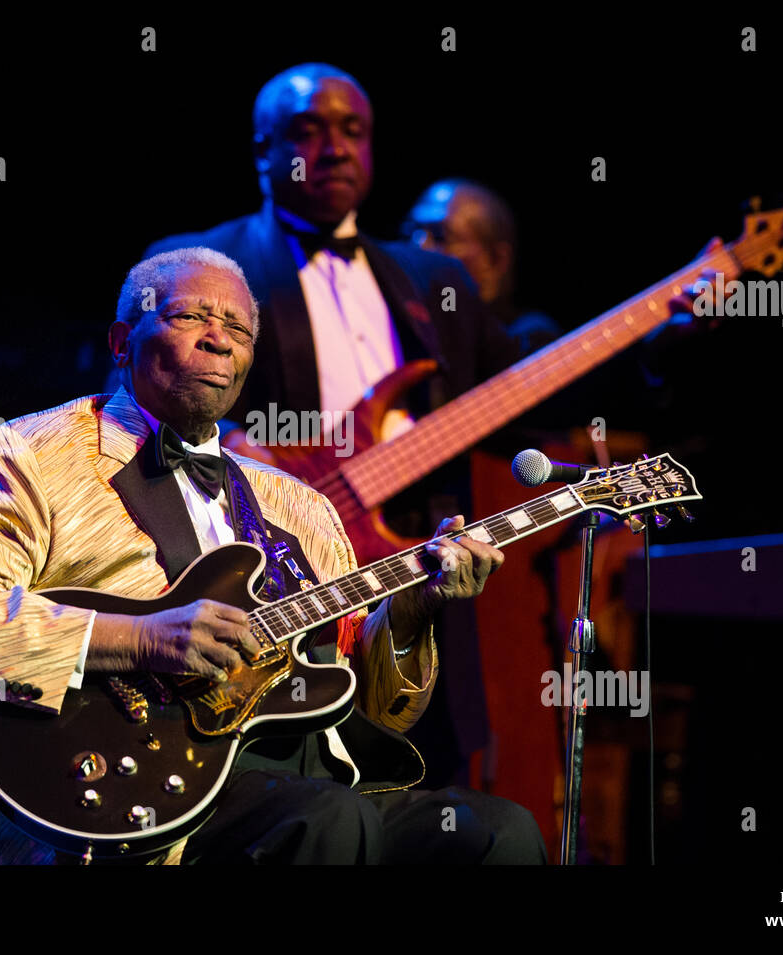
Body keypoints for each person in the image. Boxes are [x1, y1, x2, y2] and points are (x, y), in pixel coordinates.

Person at [0, 248, 547, 864]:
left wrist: (410, 614)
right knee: (332, 821)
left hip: (315, 779)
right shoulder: (33, 454)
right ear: (122, 342)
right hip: (142, 795)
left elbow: (375, 708)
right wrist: (138, 639)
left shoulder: (303, 508)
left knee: (500, 834)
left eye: (238, 327)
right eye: (190, 316)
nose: (219, 336)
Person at [143, 64, 530, 789]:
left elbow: (532, 399)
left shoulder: (433, 277)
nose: (336, 147)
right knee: (310, 807)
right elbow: (138, 405)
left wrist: (663, 337)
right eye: (307, 131)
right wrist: (244, 461)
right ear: (264, 150)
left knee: (433, 800)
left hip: (420, 582)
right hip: (271, 610)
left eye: (353, 130)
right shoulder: (204, 267)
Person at [402, 178, 561, 356]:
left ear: (495, 259)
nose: (419, 247)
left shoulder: (528, 339)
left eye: (441, 237)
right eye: (412, 232)